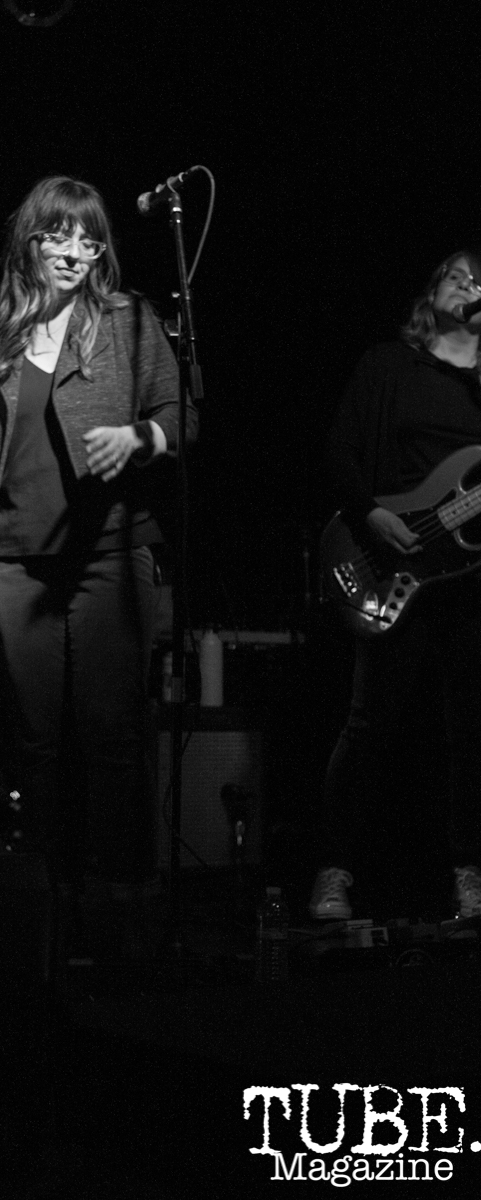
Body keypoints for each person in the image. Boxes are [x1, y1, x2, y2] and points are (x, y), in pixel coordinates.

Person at [0, 175, 194, 923]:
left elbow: (183, 416)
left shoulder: (127, 321)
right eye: (59, 237)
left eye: (90, 242)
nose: (76, 253)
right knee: (34, 740)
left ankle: (118, 898)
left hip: (108, 546)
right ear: (31, 242)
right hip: (17, 554)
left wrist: (141, 437)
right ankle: (40, 898)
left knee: (112, 733)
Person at [310, 251, 481, 921]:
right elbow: (339, 451)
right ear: (432, 292)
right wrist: (372, 514)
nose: (471, 284)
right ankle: (334, 870)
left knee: (471, 730)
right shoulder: (388, 366)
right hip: (388, 560)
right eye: (458, 275)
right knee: (369, 723)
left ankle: (469, 874)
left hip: (469, 579)